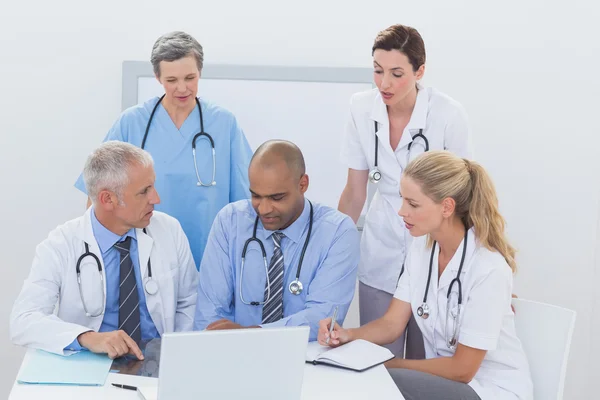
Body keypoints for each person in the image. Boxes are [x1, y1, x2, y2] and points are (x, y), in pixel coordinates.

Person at [320, 151, 532, 400]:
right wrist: (348, 335)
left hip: (491, 390)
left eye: (413, 204)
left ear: (447, 207)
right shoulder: (422, 250)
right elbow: (391, 324)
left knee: (381, 382)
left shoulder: (488, 269)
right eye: (402, 200)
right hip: (445, 385)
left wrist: (390, 365)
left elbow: (462, 370)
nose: (401, 211)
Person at [338, 23, 473, 357]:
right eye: (378, 71)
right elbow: (355, 192)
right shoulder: (360, 108)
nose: (385, 83)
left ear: (419, 71)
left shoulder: (447, 115)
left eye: (397, 73)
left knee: (422, 362)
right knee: (377, 359)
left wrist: (482, 267)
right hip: (380, 247)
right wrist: (327, 248)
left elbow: (467, 198)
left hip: (433, 249)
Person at [74, 31, 253, 268]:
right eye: (171, 80)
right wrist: (95, 251)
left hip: (210, 255)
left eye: (190, 77)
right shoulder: (133, 122)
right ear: (157, 77)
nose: (182, 88)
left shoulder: (223, 124)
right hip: (142, 251)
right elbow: (97, 193)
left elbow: (246, 199)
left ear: (200, 72)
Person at [11, 142, 198, 359]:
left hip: (160, 361)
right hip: (91, 362)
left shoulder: (169, 230)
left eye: (153, 186)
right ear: (107, 199)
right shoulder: (60, 245)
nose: (156, 199)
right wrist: (87, 337)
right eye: (144, 191)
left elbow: (190, 302)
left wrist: (177, 353)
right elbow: (23, 320)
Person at [193, 140, 359, 340]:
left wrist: (250, 336)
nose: (264, 209)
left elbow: (322, 318)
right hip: (231, 354)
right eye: (256, 196)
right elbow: (209, 313)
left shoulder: (337, 232)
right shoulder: (230, 222)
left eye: (276, 198)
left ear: (302, 184)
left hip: (305, 357)